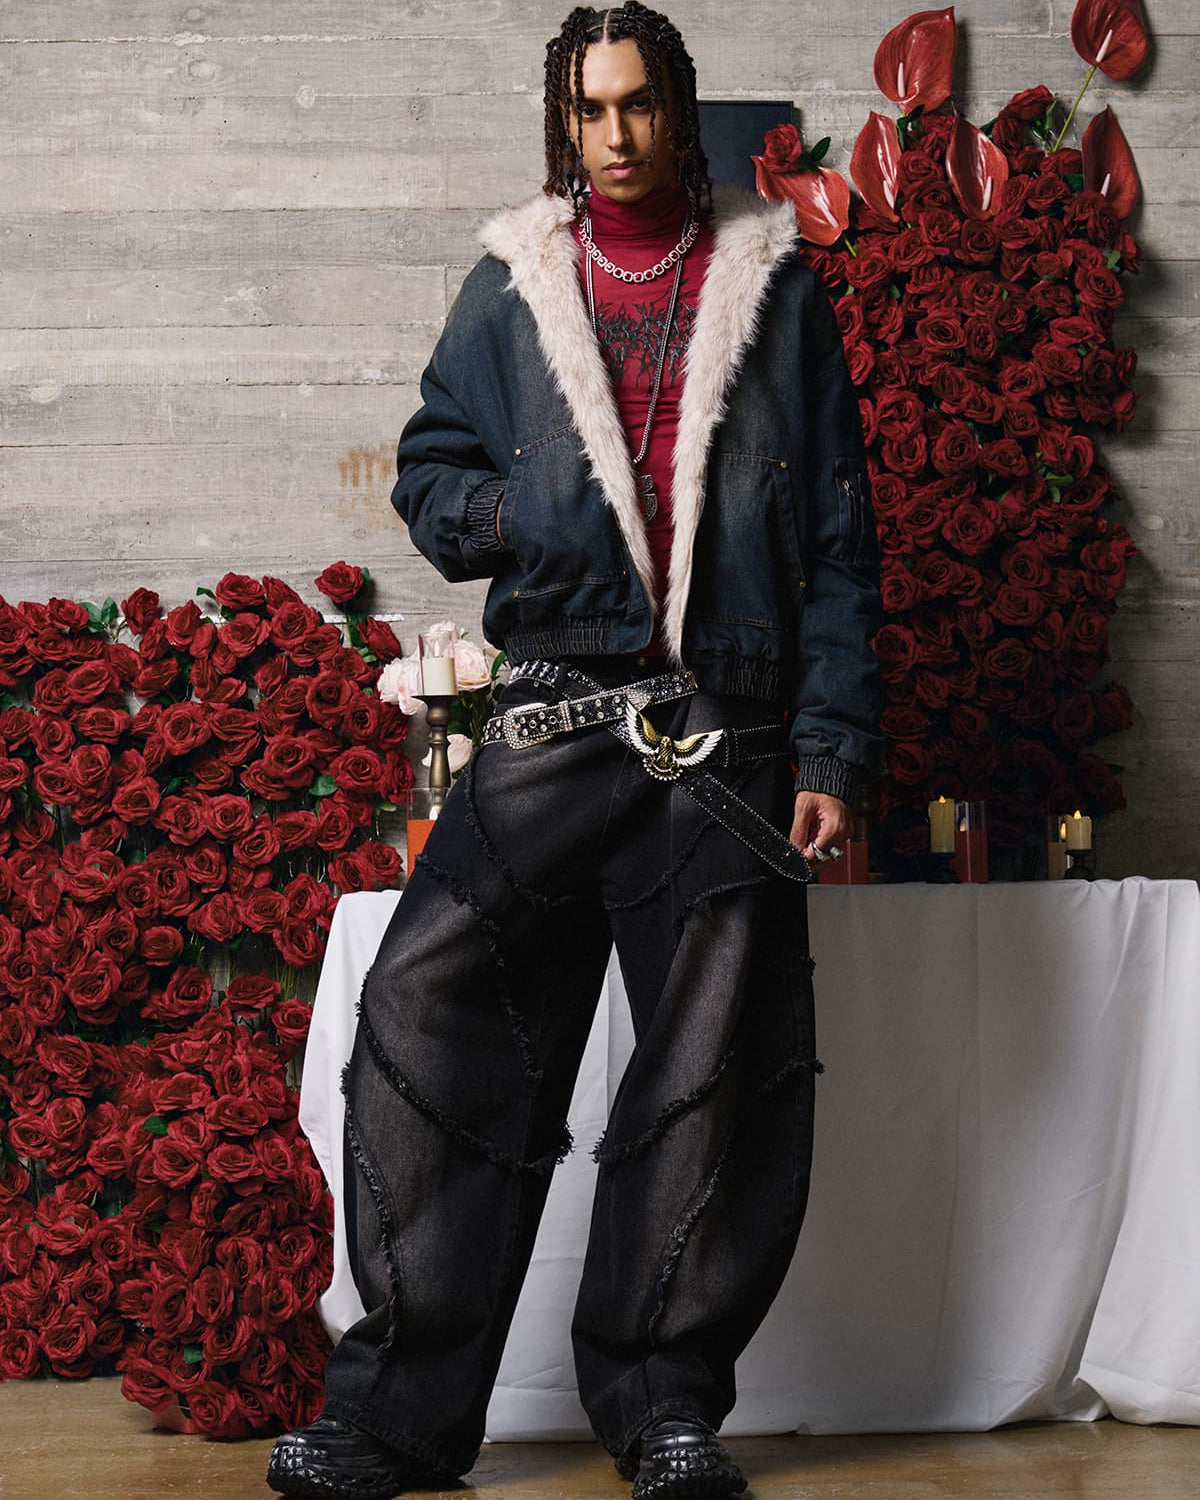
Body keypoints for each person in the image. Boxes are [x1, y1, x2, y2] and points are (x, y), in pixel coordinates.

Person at [267, 5, 883, 1498]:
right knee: (423, 1020)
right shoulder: (513, 286)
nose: (615, 136)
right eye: (589, 110)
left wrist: (829, 749)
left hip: (724, 728)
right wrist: (518, 514)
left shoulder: (776, 291)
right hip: (550, 711)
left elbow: (839, 545)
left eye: (639, 105)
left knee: (714, 1077)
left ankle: (665, 1410)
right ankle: (398, 1419)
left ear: (679, 109)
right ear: (565, 120)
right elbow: (432, 474)